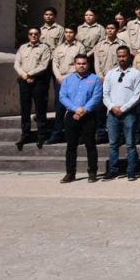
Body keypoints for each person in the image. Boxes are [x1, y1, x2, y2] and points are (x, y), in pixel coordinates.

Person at [58, 54, 103, 183]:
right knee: (71, 146)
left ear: (88, 65)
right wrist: (75, 109)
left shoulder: (94, 79)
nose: (81, 66)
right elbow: (62, 97)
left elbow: (96, 97)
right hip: (72, 115)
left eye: (84, 63)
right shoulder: (68, 80)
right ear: (75, 65)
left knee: (90, 145)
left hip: (88, 116)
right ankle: (70, 173)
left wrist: (84, 110)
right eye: (79, 63)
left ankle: (92, 172)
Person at [102, 46, 140, 180]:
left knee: (130, 144)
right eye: (119, 56)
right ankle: (113, 170)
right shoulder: (110, 73)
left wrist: (123, 108)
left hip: (129, 114)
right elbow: (105, 94)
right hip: (112, 114)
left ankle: (131, 170)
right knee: (113, 144)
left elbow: (137, 95)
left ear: (129, 56)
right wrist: (113, 107)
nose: (122, 58)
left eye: (124, 56)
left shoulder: (136, 73)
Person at [14, 28, 52, 151]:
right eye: (31, 34)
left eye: (36, 34)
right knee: (25, 108)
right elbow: (17, 64)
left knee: (40, 108)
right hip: (24, 81)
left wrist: (30, 74)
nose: (33, 36)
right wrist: (24, 75)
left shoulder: (44, 48)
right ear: (28, 35)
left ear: (39, 35)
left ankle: (41, 135)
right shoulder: (23, 47)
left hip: (39, 81)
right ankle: (25, 134)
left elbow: (43, 65)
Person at [50, 25, 85, 145]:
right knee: (59, 108)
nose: (68, 34)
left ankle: (77, 134)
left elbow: (80, 64)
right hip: (60, 80)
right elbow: (55, 63)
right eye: (66, 32)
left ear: (75, 33)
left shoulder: (80, 47)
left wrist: (66, 77)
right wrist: (58, 76)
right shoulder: (59, 48)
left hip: (74, 79)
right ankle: (57, 133)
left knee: (75, 107)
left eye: (71, 32)